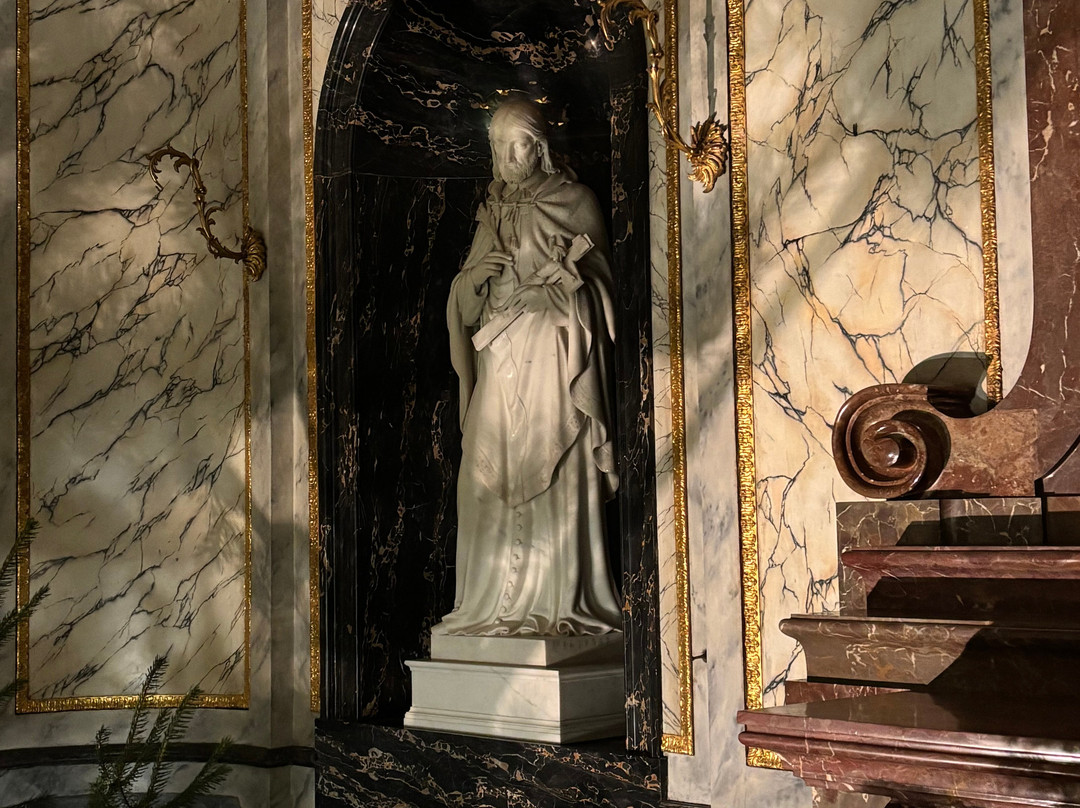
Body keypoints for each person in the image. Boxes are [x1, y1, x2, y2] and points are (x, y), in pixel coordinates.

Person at [437, 97, 622, 637]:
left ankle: (556, 604)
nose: (506, 158)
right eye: (497, 147)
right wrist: (472, 283)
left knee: (556, 469)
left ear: (539, 146)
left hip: (554, 366)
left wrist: (560, 298)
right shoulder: (491, 210)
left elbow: (603, 291)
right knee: (480, 475)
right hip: (498, 364)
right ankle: (489, 606)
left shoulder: (574, 201)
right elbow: (463, 304)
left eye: (515, 145)